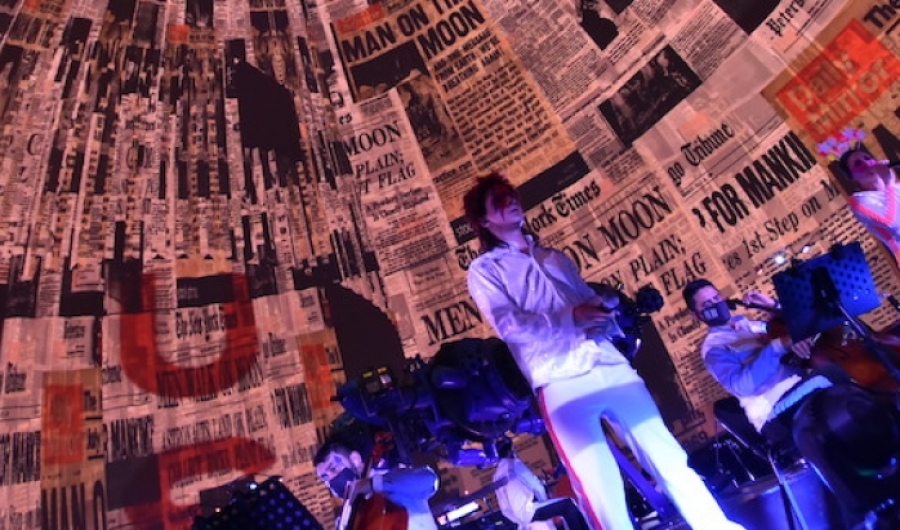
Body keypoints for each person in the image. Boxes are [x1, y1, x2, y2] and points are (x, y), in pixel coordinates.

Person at [463, 172, 745, 530]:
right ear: (484, 221)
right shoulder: (485, 269)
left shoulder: (555, 257)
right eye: (498, 200)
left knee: (670, 458)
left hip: (610, 365)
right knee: (600, 486)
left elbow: (587, 304)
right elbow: (511, 326)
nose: (510, 200)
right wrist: (572, 316)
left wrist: (604, 311)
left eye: (511, 193)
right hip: (560, 383)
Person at [683, 278, 900, 528]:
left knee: (836, 377)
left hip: (801, 388)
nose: (716, 304)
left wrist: (772, 307)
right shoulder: (713, 348)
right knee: (832, 374)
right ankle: (862, 508)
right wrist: (778, 346)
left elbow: (794, 327)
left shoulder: (750, 326)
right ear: (696, 314)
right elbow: (741, 385)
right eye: (707, 304)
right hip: (774, 410)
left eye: (716, 298)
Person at [314, 431, 440, 530]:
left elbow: (429, 480)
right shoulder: (345, 520)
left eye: (333, 467)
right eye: (325, 478)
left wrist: (374, 484)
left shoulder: (392, 476)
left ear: (355, 459)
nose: (331, 478)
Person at [492, 440, 590, 530]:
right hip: (531, 510)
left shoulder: (496, 476)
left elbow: (504, 508)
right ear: (510, 451)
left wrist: (520, 521)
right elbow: (536, 485)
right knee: (568, 504)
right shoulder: (514, 463)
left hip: (520, 518)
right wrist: (544, 500)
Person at [840, 147, 900, 263]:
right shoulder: (860, 201)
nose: (866, 164)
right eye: (858, 164)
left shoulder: (895, 187)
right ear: (851, 177)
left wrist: (890, 181)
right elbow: (893, 220)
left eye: (868, 158)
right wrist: (888, 181)